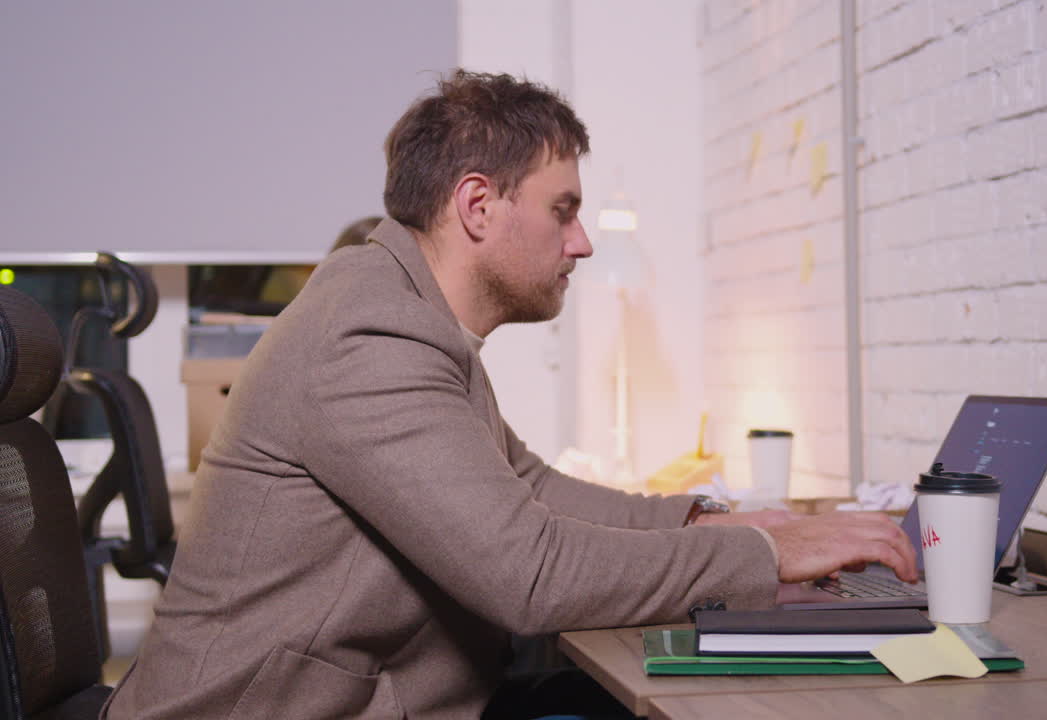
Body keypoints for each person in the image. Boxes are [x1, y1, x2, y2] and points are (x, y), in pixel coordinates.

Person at [103, 70, 917, 719]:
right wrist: (766, 555)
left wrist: (712, 519)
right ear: (478, 205)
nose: (583, 242)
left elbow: (530, 488)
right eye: (563, 211)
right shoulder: (369, 334)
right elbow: (528, 577)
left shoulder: (414, 317)